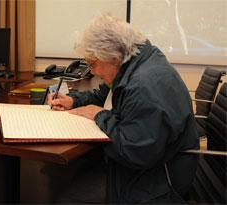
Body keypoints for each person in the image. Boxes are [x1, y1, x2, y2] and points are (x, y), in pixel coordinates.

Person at [48, 13, 199, 204]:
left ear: (113, 57)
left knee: (68, 197)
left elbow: (134, 152)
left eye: (92, 63)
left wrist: (100, 116)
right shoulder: (135, 64)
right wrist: (73, 101)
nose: (92, 71)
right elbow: (105, 95)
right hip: (151, 164)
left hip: (157, 182)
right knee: (77, 168)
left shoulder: (144, 87)